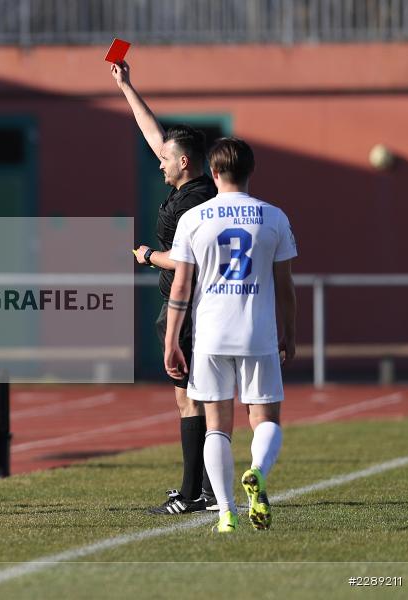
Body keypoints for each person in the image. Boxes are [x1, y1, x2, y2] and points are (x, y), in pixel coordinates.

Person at [164, 137, 297, 533]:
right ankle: (256, 471)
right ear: (250, 171)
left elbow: (181, 286)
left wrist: (172, 339)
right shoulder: (274, 217)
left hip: (210, 335)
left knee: (216, 426)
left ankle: (225, 513)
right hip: (257, 331)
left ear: (215, 172)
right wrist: (289, 332)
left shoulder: (194, 219)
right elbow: (285, 285)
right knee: (266, 418)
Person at [111, 60, 216, 514]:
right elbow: (154, 135)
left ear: (185, 162)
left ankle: (194, 492)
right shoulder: (188, 185)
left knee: (191, 398)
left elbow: (189, 259)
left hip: (188, 303)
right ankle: (208, 489)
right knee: (194, 396)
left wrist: (148, 256)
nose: (159, 162)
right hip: (182, 301)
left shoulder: (196, 200)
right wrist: (127, 86)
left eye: (167, 159)